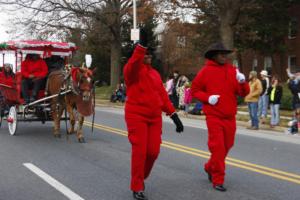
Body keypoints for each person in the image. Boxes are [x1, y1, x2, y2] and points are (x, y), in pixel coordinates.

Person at [123, 29, 184, 200]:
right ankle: (137, 186)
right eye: (145, 52)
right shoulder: (131, 71)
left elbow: (163, 98)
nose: (148, 55)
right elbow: (134, 63)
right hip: (136, 116)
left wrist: (174, 116)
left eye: (150, 52)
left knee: (153, 152)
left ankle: (140, 177)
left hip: (154, 118)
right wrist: (140, 47)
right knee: (140, 152)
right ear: (139, 54)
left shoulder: (155, 74)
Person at [191, 42, 249, 192]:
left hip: (230, 117)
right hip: (214, 116)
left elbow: (243, 93)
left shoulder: (232, 70)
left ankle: (209, 166)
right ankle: (218, 179)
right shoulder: (205, 71)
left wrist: (243, 82)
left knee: (227, 146)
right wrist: (208, 98)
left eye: (226, 54)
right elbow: (194, 90)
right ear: (214, 56)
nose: (224, 56)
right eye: (221, 54)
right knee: (218, 148)